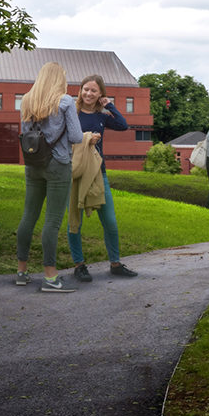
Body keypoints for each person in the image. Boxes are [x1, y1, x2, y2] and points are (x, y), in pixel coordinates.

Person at [13, 60, 91, 292]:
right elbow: (76, 137)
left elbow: (27, 134)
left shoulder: (27, 100)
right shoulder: (65, 101)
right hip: (58, 164)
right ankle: (50, 277)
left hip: (33, 164)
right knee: (53, 221)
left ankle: (21, 271)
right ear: (60, 79)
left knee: (28, 216)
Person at [67, 74, 136, 280]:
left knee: (110, 222)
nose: (88, 93)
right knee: (75, 221)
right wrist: (86, 139)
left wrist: (110, 105)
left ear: (100, 94)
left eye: (94, 91)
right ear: (80, 91)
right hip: (75, 172)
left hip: (99, 173)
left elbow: (123, 125)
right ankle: (79, 265)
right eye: (85, 89)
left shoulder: (102, 117)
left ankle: (115, 263)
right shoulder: (72, 113)